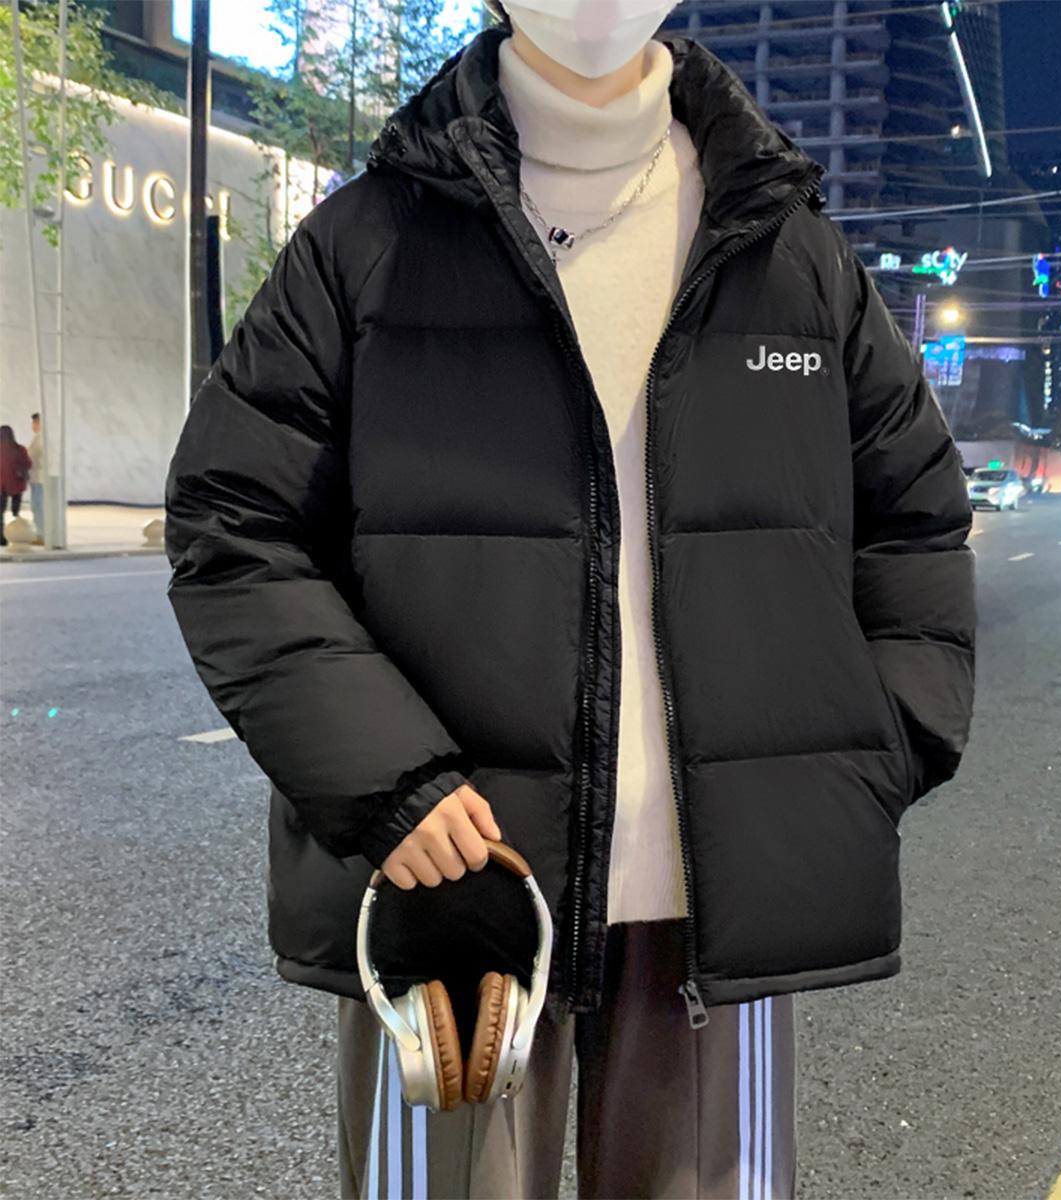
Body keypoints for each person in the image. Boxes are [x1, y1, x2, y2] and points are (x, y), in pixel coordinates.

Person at [163, 1, 977, 1197]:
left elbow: (916, 519)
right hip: (450, 900)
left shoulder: (790, 251)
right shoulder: (368, 242)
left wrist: (864, 761)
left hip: (722, 908)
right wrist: (390, 784)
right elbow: (232, 525)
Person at [0, 425, 32, 548]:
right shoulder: (19, 449)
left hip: (1, 486)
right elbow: (28, 463)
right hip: (17, 484)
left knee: (0, 512)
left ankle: (1, 538)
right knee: (15, 512)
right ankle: (17, 535)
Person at [27, 413, 44, 546]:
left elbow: (33, 458)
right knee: (36, 506)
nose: (33, 425)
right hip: (35, 478)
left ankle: (41, 534)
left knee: (38, 507)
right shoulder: (38, 438)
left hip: (39, 478)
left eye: (35, 422)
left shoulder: (41, 439)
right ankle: (39, 533)